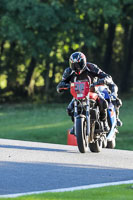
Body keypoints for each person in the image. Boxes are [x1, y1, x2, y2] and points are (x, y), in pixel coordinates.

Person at [57, 52, 122, 134]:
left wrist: (103, 80)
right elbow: (61, 84)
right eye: (74, 65)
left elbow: (107, 77)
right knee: (69, 109)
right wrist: (63, 86)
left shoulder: (91, 67)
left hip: (92, 91)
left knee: (103, 103)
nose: (76, 67)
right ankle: (76, 125)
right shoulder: (68, 71)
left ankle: (104, 122)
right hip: (78, 94)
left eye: (78, 64)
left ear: (83, 62)